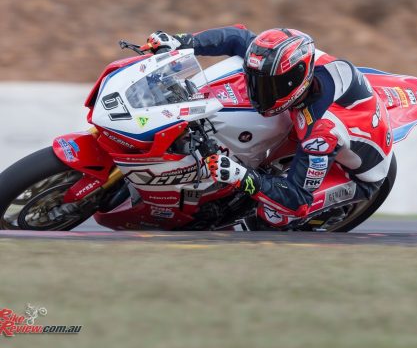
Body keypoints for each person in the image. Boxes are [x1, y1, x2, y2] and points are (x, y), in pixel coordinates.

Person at [146, 26, 394, 227]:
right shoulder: (291, 59)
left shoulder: (320, 130)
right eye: (254, 83)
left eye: (268, 87)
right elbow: (237, 37)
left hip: (356, 174)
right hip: (347, 116)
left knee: (276, 215)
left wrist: (241, 176)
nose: (257, 94)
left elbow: (297, 198)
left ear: (295, 81)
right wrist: (183, 41)